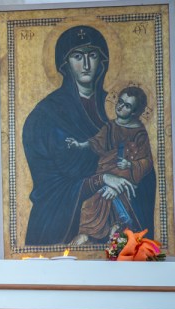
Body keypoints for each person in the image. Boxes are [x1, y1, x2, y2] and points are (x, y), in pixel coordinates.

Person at [23, 25, 137, 245]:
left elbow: (140, 159)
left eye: (92, 56)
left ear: (102, 61)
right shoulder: (46, 114)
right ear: (65, 64)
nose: (86, 65)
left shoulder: (117, 108)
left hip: (115, 207)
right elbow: (50, 182)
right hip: (63, 215)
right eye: (77, 56)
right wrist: (101, 179)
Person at [66, 86, 155, 244]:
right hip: (106, 172)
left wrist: (130, 164)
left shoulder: (140, 133)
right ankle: (88, 233)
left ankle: (116, 228)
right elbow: (96, 142)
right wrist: (79, 145)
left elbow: (147, 161)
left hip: (127, 176)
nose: (120, 106)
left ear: (135, 112)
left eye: (127, 105)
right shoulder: (111, 126)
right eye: (120, 102)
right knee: (90, 203)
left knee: (115, 197)